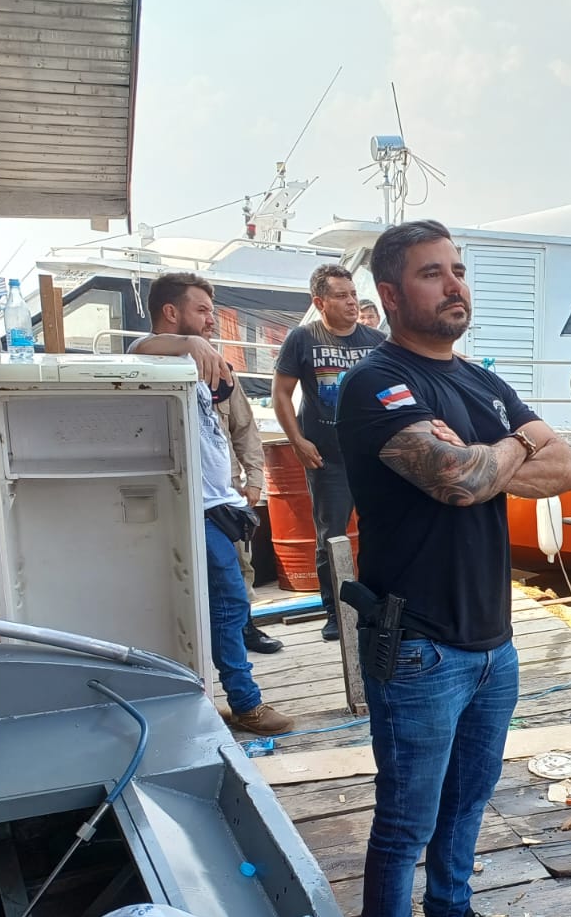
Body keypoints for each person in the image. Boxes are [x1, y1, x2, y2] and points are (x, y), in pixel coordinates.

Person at [338, 220, 571, 917]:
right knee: (403, 824)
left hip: (492, 639)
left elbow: (570, 467)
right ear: (392, 296)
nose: (455, 287)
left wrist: (493, 454)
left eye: (460, 272)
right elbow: (460, 480)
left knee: (469, 803)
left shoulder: (479, 381)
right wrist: (511, 448)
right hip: (420, 647)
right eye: (433, 274)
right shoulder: (377, 384)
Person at [130, 272, 295, 736]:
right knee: (229, 607)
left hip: (221, 506)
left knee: (218, 608)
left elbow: (238, 428)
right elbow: (137, 351)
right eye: (201, 310)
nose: (210, 321)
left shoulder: (196, 366)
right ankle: (246, 705)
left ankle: (199, 696)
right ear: (170, 312)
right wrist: (189, 345)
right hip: (195, 511)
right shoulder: (158, 358)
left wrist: (250, 483)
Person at [272, 265, 386, 641]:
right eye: (341, 296)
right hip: (328, 457)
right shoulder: (302, 339)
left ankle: (380, 604)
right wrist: (298, 441)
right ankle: (335, 612)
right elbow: (281, 394)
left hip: (374, 458)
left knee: (382, 531)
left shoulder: (375, 339)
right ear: (319, 302)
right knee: (331, 536)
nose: (351, 302)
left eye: (353, 294)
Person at [212, 380, 282, 655]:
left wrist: (254, 479)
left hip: (226, 487)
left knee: (240, 561)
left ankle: (245, 627)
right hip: (177, 485)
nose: (210, 332)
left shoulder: (223, 376)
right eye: (204, 330)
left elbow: (244, 430)